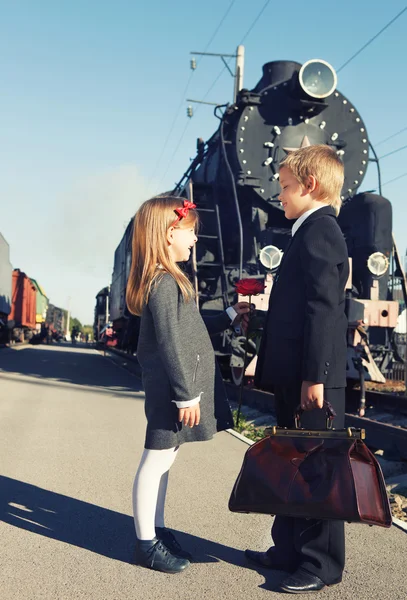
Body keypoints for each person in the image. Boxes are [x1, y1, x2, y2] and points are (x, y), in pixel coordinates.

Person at [126, 195, 250, 574]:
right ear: (168, 235)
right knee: (156, 461)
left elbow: (190, 329)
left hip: (175, 391)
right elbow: (170, 342)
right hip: (171, 392)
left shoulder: (169, 280)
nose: (195, 239)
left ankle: (157, 530)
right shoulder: (164, 283)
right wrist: (185, 395)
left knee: (166, 460)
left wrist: (230, 314)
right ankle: (146, 543)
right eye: (190, 231)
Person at [247, 145, 349, 594]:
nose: (279, 194)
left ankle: (322, 562)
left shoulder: (321, 231)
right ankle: (287, 550)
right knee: (293, 461)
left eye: (285, 186)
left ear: (310, 186)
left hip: (314, 379)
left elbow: (324, 309)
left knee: (316, 467)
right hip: (299, 374)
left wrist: (317, 375)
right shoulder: (306, 231)